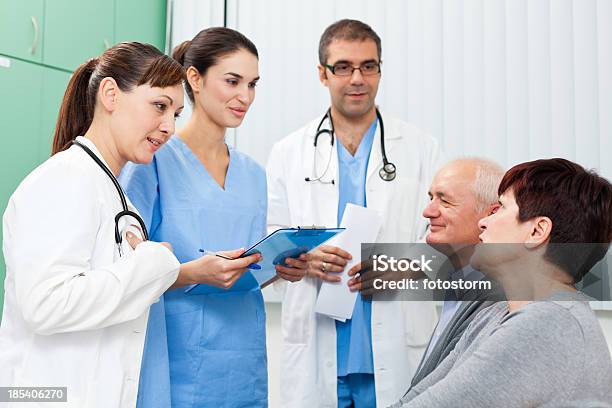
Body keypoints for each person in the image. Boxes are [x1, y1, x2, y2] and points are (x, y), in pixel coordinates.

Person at [0, 42, 259, 408]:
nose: (168, 126)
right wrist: (153, 266)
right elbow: (44, 304)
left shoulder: (116, 196)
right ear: (110, 94)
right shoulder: (64, 179)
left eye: (176, 113)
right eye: (159, 106)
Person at [120, 28, 299, 408]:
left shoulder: (253, 174)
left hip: (243, 358)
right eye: (232, 81)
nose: (245, 97)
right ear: (195, 79)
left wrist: (278, 266)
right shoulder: (152, 161)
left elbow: (245, 269)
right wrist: (192, 273)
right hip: (177, 357)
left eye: (252, 84)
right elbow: (125, 271)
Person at [266, 19, 439, 407]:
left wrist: (398, 265)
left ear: (380, 70)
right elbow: (271, 239)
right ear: (322, 74)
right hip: (317, 343)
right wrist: (304, 258)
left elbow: (443, 244)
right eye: (343, 67)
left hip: (395, 343)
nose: (357, 78)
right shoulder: (289, 152)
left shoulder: (419, 148)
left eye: (369, 66)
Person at [393, 158, 612, 407]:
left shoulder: (547, 324)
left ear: (537, 231)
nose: (483, 222)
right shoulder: (493, 315)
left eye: (501, 209)